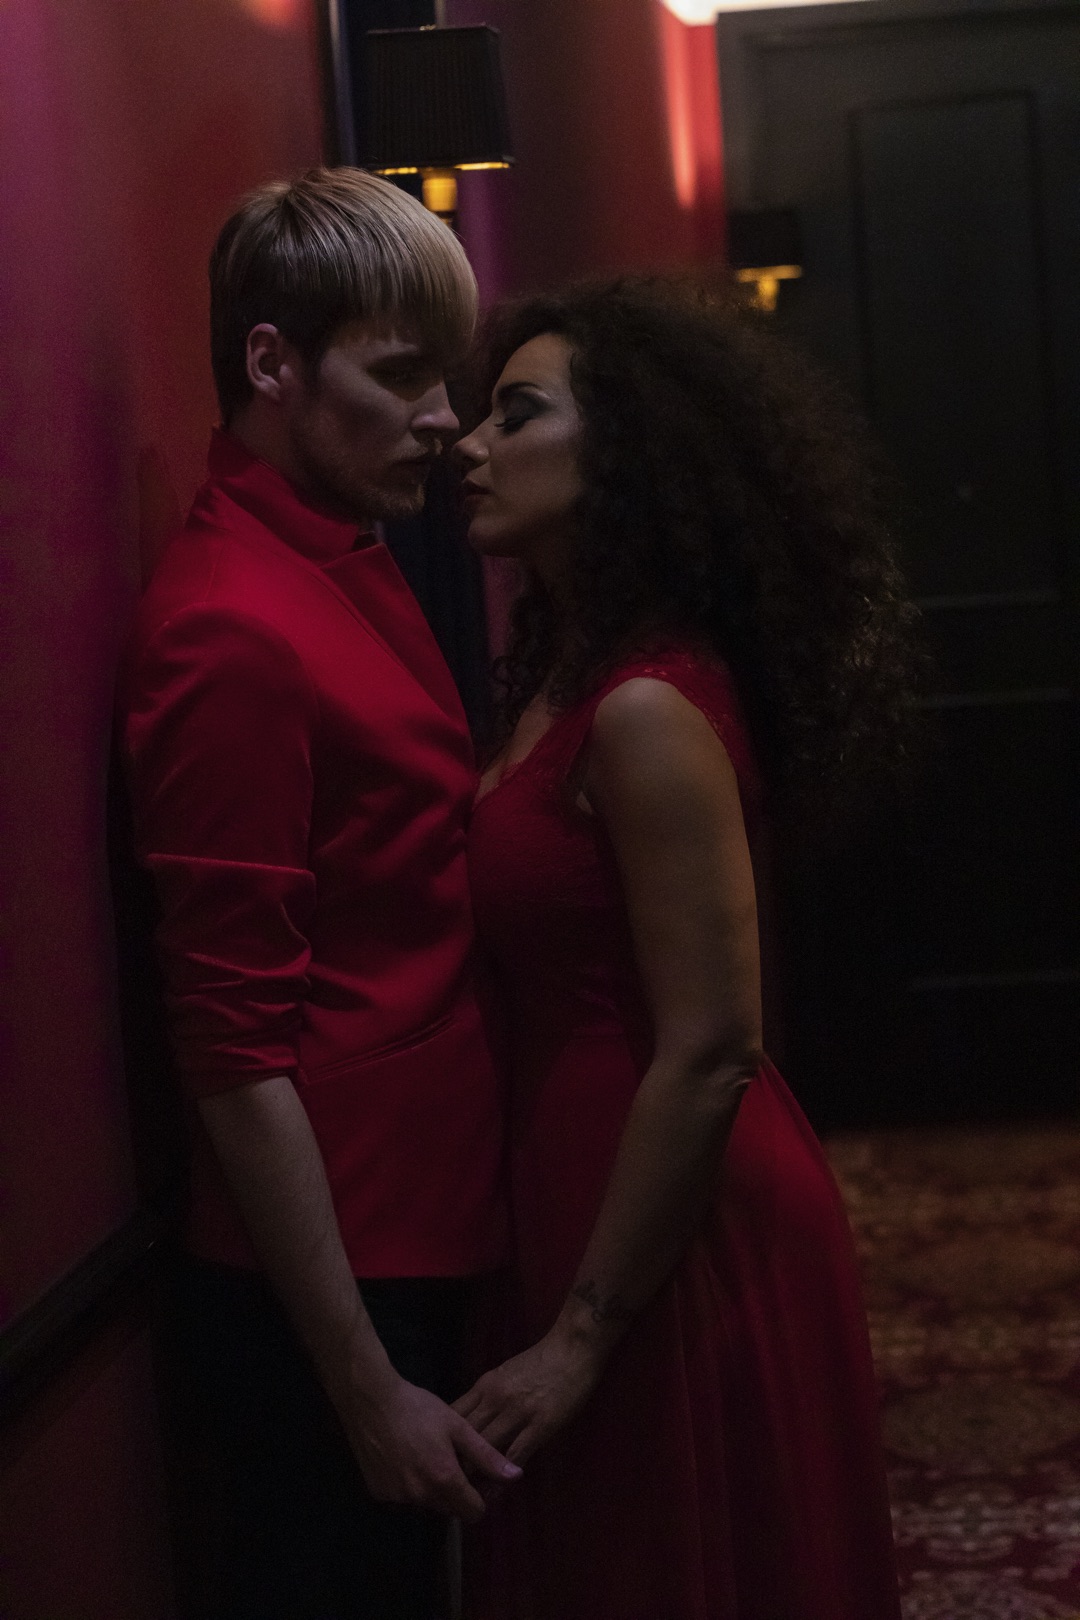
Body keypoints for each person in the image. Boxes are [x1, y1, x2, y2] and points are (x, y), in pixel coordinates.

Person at [453, 277, 918, 1619]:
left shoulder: (644, 704)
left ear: (627, 453)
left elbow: (714, 1045)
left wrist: (582, 1331)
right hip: (584, 1187)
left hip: (673, 1220)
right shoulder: (567, 674)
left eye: (517, 416)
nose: (471, 445)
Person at [117, 167, 520, 1620]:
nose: (443, 418)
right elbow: (231, 1048)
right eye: (401, 376)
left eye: (447, 379)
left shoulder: (338, 554)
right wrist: (362, 1383)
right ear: (272, 362)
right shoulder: (230, 624)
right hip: (332, 1284)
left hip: (418, 1225)